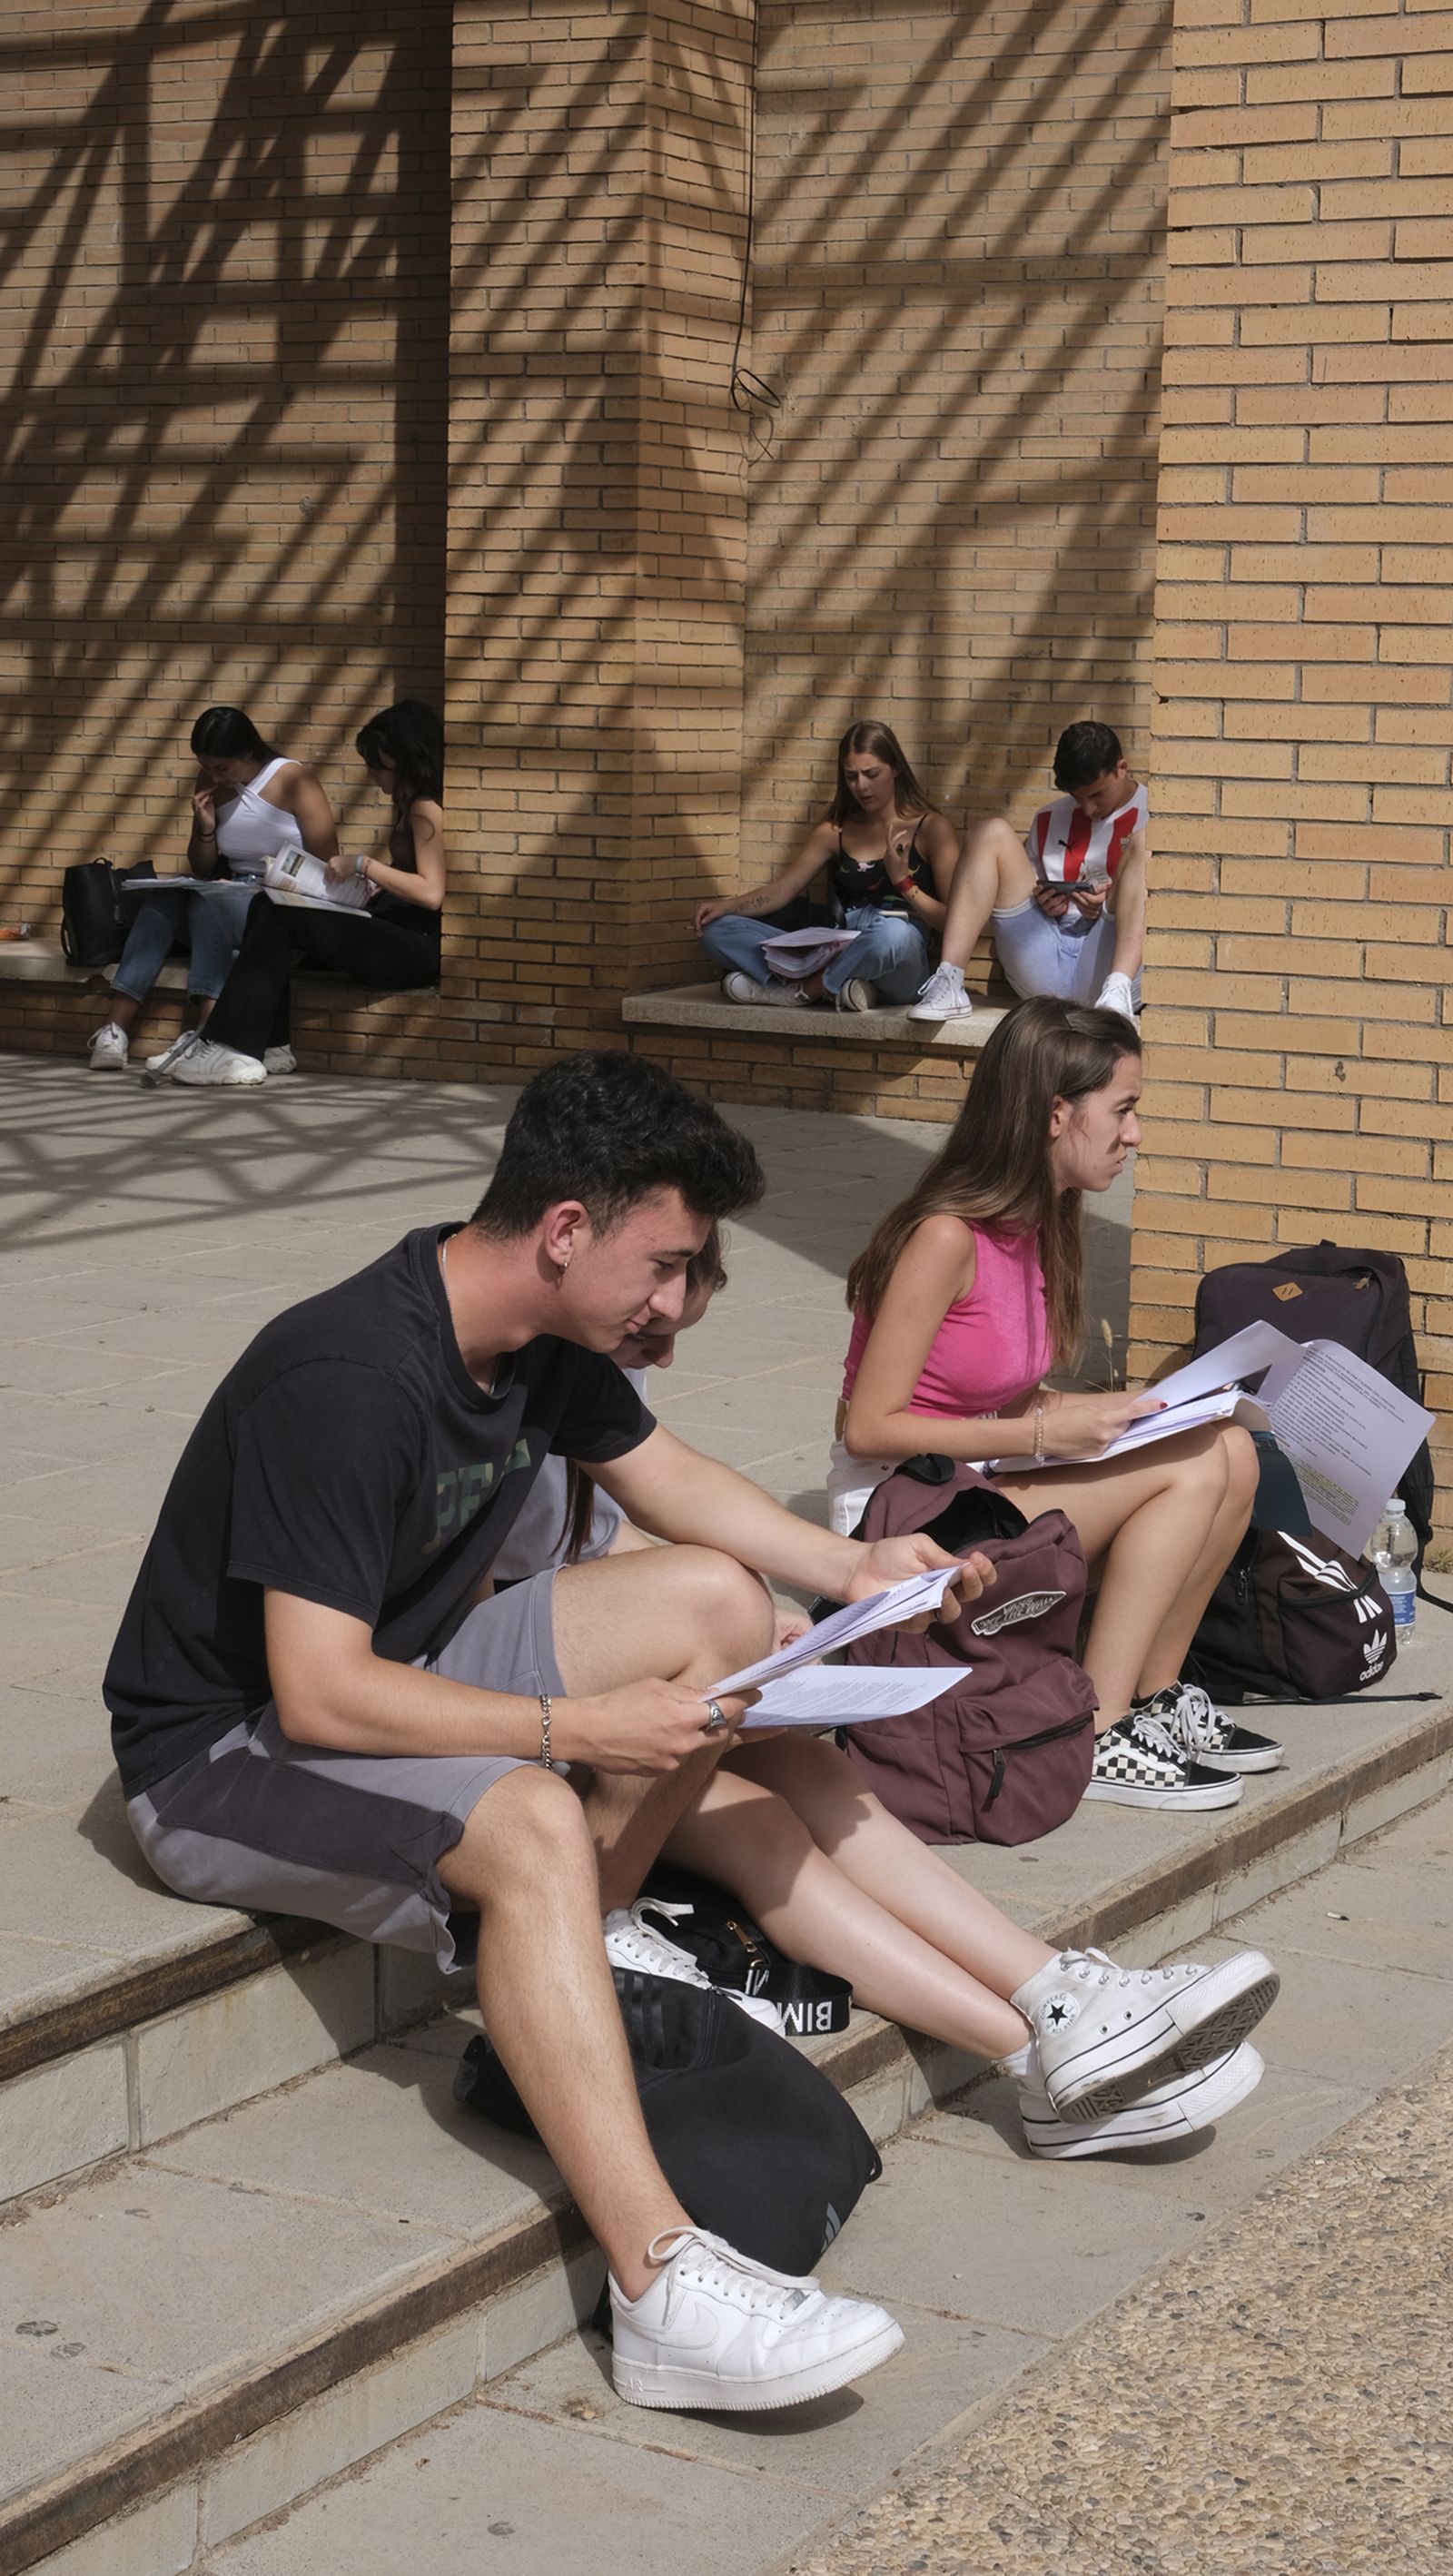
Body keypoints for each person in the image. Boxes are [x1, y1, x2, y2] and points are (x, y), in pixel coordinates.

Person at [505, 1226, 1278, 2166]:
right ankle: (1036, 2053)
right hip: (535, 1708)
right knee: (762, 1822)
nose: (663, 1348)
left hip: (599, 1658)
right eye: (653, 1320)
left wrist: (770, 1627)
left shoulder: (590, 1371)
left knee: (811, 1763)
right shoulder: (503, 1374)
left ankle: (1054, 1993)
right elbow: (501, 1595)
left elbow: (599, 1537)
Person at [833, 999, 1285, 1811]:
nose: (1135, 1134)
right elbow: (869, 1426)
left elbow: (997, 1386)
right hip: (903, 1510)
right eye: (1124, 1110)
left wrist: (1126, 1408)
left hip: (982, 1481)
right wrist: (1046, 1428)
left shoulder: (1041, 1221)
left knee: (1232, 1448)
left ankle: (1154, 1695)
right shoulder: (944, 1236)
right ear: (1055, 1112)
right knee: (1188, 1467)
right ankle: (1098, 1727)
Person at [169, 699, 445, 1089]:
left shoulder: (424, 808)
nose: (372, 775)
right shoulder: (404, 805)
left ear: (407, 760)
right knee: (273, 903)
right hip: (389, 921)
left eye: (378, 766)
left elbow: (432, 893)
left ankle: (233, 1044)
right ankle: (273, 1043)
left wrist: (365, 866)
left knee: (279, 915)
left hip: (414, 947)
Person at [86, 707, 340, 1073]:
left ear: (248, 753)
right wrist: (206, 827)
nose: (214, 776)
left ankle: (209, 1033)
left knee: (210, 904)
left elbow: (328, 861)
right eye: (206, 767)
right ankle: (115, 1030)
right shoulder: (210, 784)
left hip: (279, 901)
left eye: (222, 768)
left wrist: (267, 881)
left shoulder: (293, 779)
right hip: (230, 889)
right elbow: (202, 866)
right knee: (162, 902)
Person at [695, 720, 960, 1012]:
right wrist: (727, 906)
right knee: (715, 931)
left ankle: (802, 991)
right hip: (840, 941)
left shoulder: (933, 829)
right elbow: (783, 890)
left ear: (895, 768)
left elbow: (953, 921)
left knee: (893, 934)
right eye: (851, 777)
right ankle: (849, 986)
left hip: (899, 957)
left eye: (871, 774)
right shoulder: (835, 831)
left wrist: (904, 884)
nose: (862, 786)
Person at [908, 720, 1147, 1025]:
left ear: (1122, 768)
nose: (1087, 809)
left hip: (1109, 959)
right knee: (989, 832)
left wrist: (1107, 903)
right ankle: (949, 980)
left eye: (1097, 795)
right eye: (1077, 797)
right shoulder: (1049, 816)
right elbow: (1024, 892)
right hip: (1045, 955)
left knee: (1144, 841)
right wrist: (1045, 902)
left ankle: (1117, 992)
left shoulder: (1155, 811)